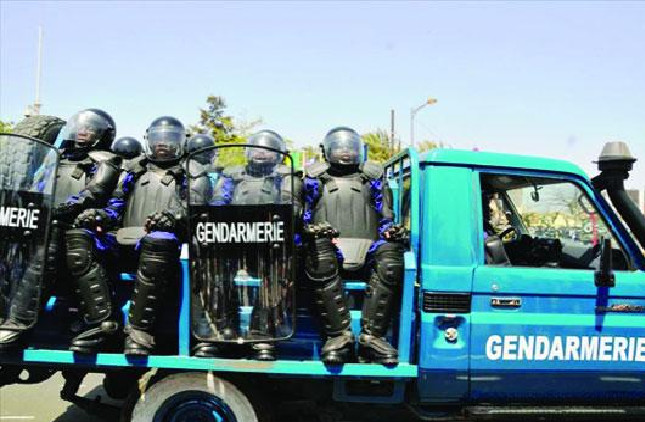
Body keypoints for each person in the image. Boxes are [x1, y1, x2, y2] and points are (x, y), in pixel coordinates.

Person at [74, 116, 210, 355]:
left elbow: (196, 208)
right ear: (149, 140)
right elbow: (115, 206)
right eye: (158, 140)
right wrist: (99, 216)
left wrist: (173, 218)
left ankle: (139, 331)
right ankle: (101, 322)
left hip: (168, 245)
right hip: (123, 238)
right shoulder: (132, 169)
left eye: (169, 140)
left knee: (160, 239)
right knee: (79, 237)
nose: (163, 145)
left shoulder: (193, 172)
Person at [0, 109, 121, 350]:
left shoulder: (105, 160)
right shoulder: (55, 157)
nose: (83, 131)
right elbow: (38, 187)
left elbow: (94, 191)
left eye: (91, 128)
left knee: (52, 243)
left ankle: (20, 322)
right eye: (80, 126)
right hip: (44, 222)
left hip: (84, 226)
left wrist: (64, 208)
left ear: (103, 134)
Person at [193, 130, 301, 360]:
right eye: (257, 148)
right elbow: (218, 201)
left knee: (275, 274)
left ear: (278, 154)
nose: (261, 152)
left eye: (267, 149)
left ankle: (263, 333)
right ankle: (220, 330)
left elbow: (291, 204)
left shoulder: (286, 176)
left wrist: (278, 220)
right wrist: (214, 216)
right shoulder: (233, 176)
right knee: (215, 270)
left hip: (270, 241)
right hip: (234, 238)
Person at [302, 127, 406, 365]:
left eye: (350, 147)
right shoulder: (313, 178)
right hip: (327, 246)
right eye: (340, 147)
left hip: (368, 246)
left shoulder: (372, 177)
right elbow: (303, 218)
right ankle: (338, 337)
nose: (346, 152)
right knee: (318, 254)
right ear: (327, 150)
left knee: (391, 256)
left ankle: (372, 338)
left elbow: (385, 217)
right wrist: (311, 230)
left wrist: (391, 231)